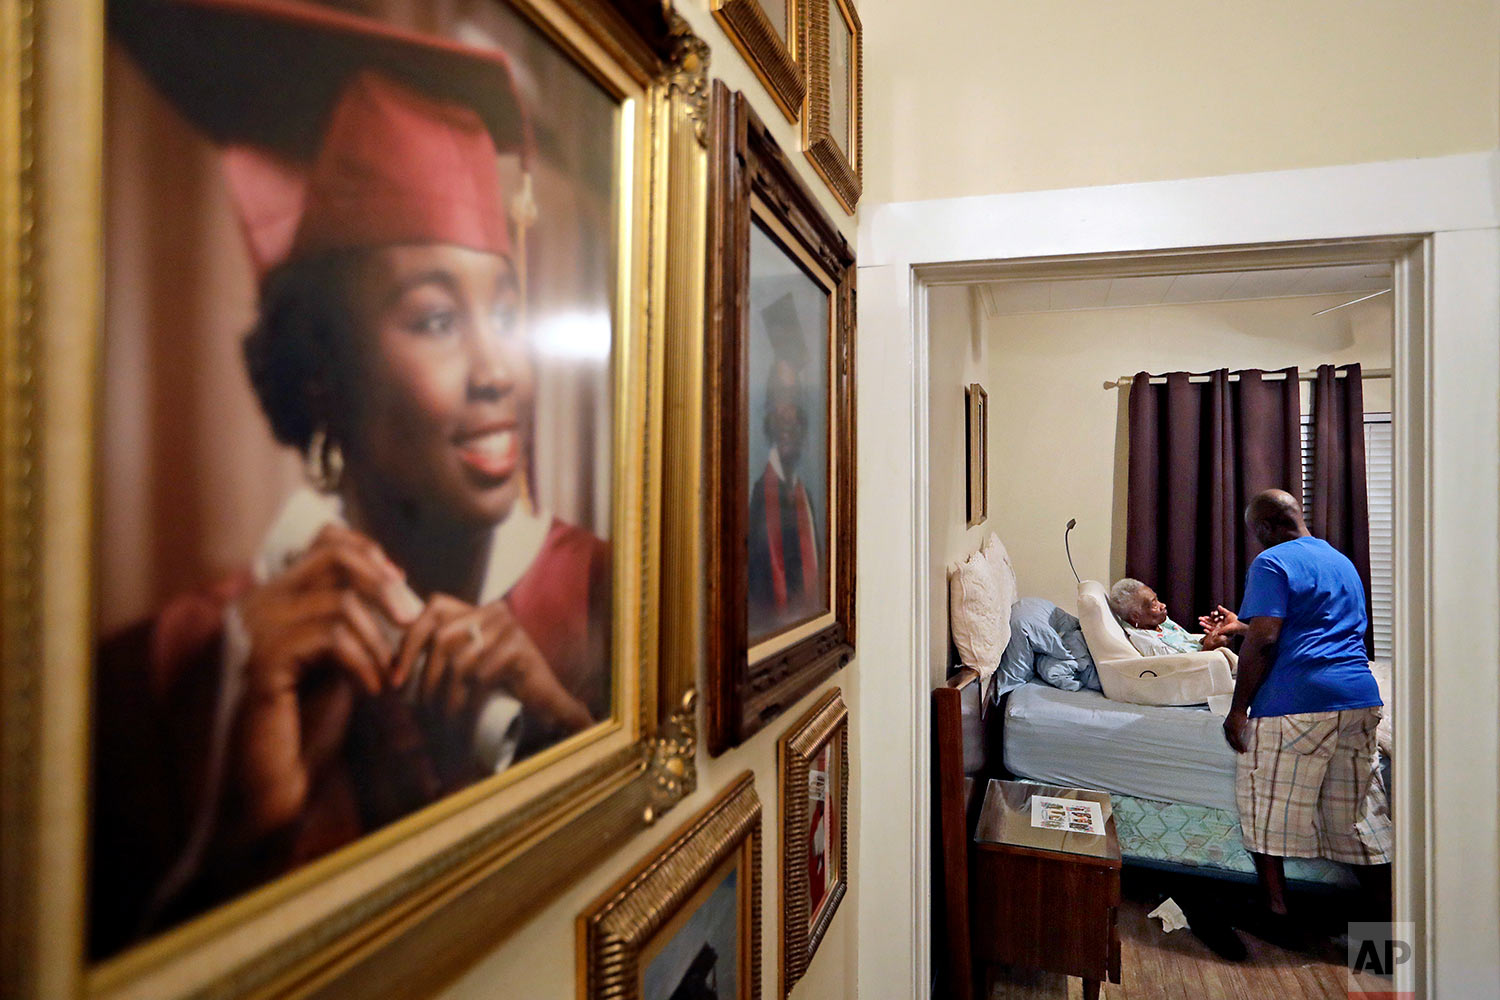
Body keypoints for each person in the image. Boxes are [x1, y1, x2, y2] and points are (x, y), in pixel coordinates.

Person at [92, 0, 609, 957]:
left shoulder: (614, 596)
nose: (501, 368)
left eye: (505, 306)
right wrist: (245, 835)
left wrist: (569, 746)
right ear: (324, 372)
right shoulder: (169, 669)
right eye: (435, 319)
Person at [1217, 489, 1391, 939]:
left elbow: (1267, 638)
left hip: (1298, 702)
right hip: (1358, 698)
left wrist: (1239, 710)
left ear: (1264, 528)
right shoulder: (1341, 561)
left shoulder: (1271, 563)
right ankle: (1386, 944)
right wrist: (1243, 625)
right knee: (1356, 820)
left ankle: (1277, 915)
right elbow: (1314, 622)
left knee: (1266, 808)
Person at [747, 293, 824, 636]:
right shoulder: (759, 499)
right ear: (768, 414)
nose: (789, 414)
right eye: (781, 399)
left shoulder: (802, 494)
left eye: (795, 400)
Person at [1106, 577, 1234, 654]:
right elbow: (1179, 670)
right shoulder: (1149, 643)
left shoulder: (1158, 623)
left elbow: (1185, 644)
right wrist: (1208, 649)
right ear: (1135, 616)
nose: (1163, 605)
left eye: (1157, 599)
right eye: (1153, 604)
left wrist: (1211, 635)